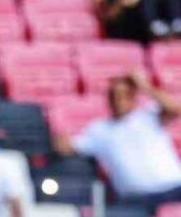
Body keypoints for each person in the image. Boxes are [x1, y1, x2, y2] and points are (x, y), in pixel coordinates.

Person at [58, 72, 181, 206]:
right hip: (135, 201)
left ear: (133, 98)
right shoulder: (99, 130)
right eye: (114, 96)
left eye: (124, 96)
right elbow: (67, 147)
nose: (119, 101)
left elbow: (175, 108)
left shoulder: (149, 115)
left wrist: (145, 86)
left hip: (174, 189)